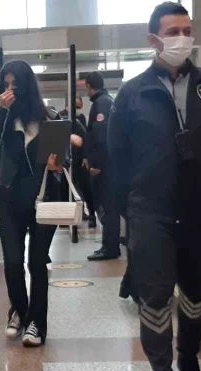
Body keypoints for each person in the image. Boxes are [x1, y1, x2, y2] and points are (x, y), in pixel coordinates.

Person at [108, 3, 201, 371]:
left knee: (196, 291)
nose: (182, 38)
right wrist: (129, 208)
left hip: (199, 209)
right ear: (153, 40)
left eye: (186, 30)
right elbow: (118, 155)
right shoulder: (132, 93)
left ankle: (188, 354)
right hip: (151, 212)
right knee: (156, 294)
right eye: (172, 31)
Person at [0, 60, 64, 348]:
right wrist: (0, 111)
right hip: (8, 200)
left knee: (37, 262)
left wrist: (58, 164)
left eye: (14, 85)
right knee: (13, 261)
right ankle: (19, 310)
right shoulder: (0, 117)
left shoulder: (48, 119)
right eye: (5, 85)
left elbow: (62, 160)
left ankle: (37, 324)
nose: (9, 90)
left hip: (43, 199)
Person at [84, 72, 120, 260]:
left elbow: (101, 136)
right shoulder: (107, 101)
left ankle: (110, 248)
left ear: (89, 86)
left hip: (105, 168)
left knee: (107, 208)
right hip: (111, 165)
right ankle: (109, 245)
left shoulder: (101, 104)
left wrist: (96, 163)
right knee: (109, 207)